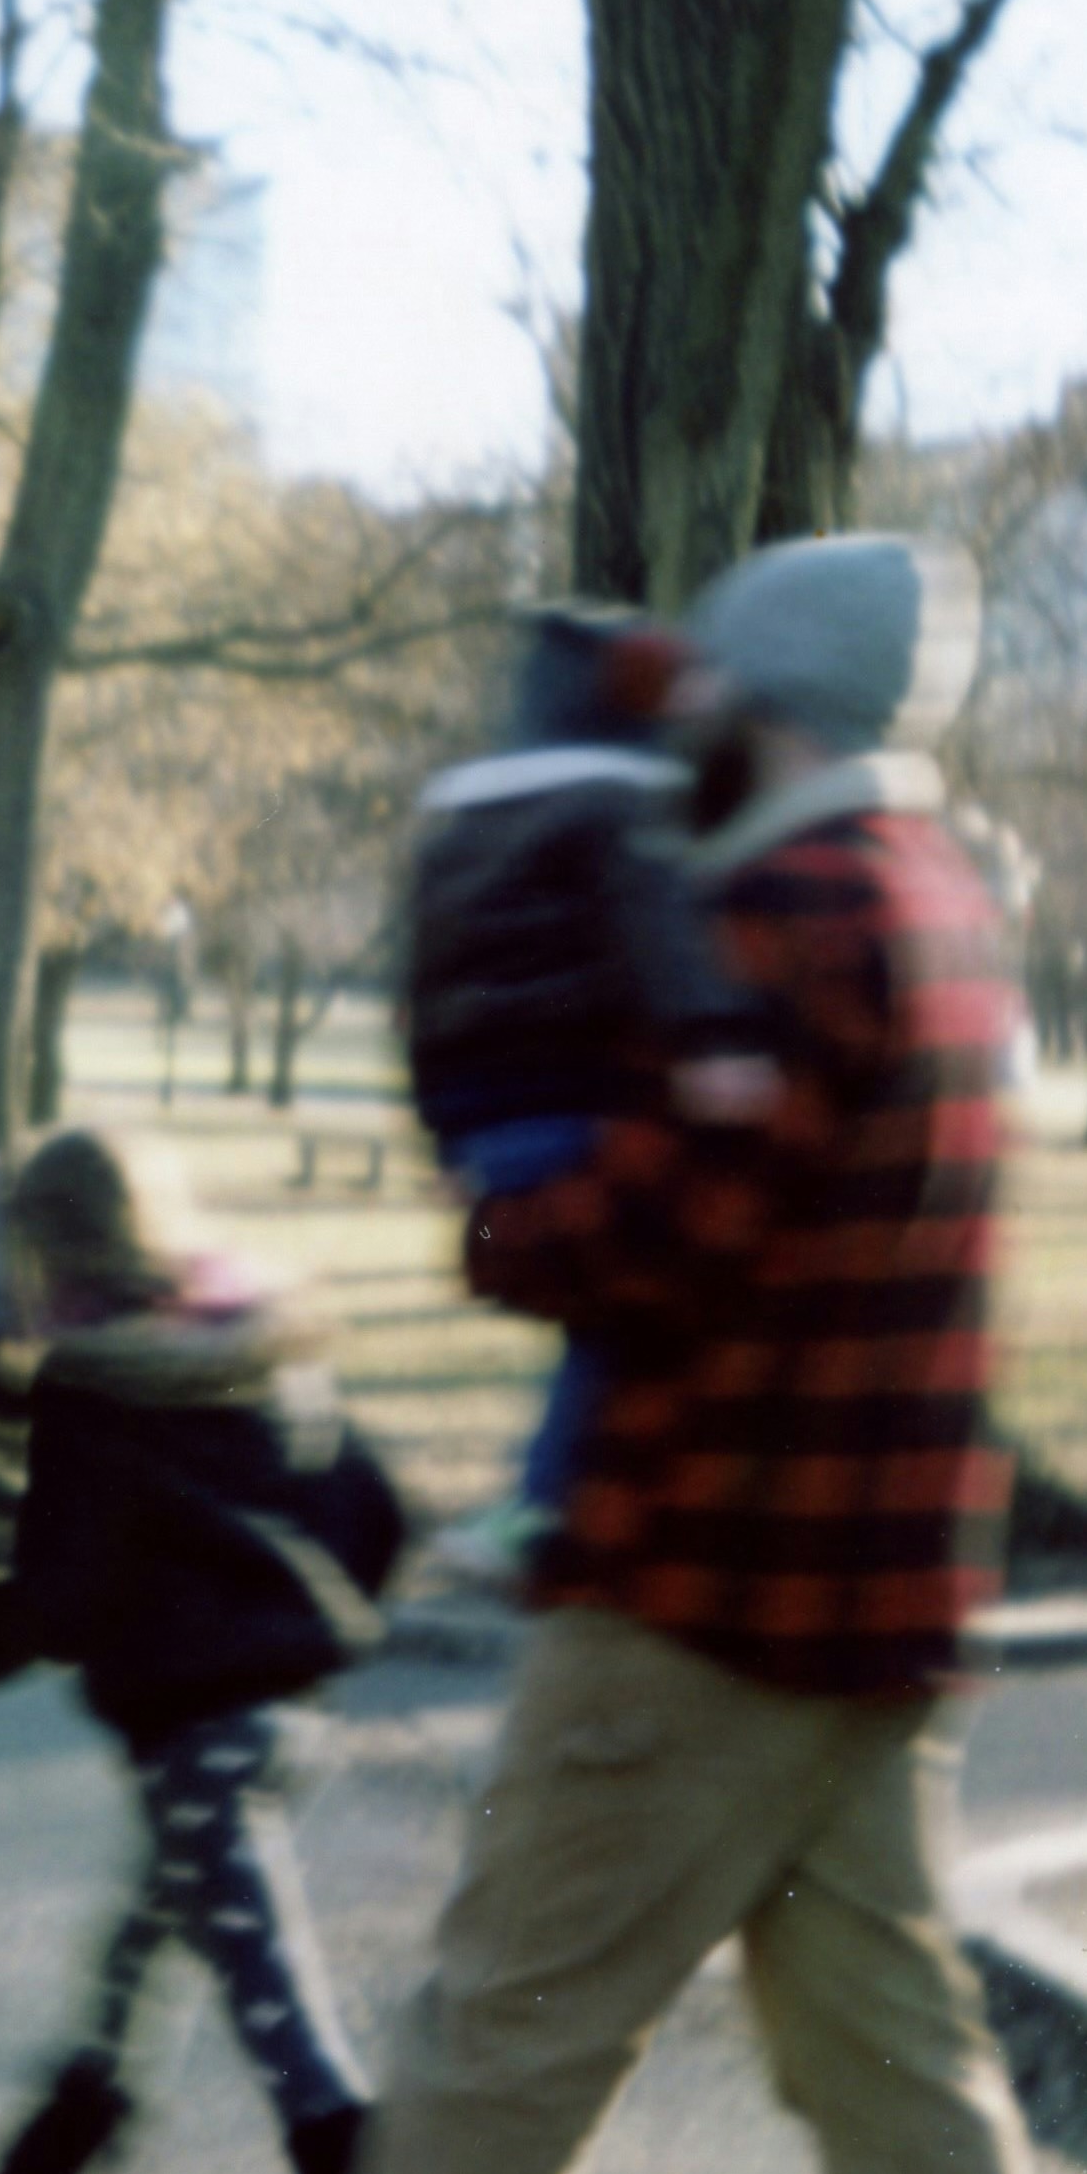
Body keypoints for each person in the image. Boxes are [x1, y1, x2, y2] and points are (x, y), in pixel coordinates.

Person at [132, 536, 1087, 2174]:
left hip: (700, 1587)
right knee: (898, 2087)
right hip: (881, 1592)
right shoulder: (938, 907)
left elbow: (653, 1231)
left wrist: (495, 1202)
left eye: (695, 694)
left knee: (504, 2021)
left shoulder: (780, 916)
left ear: (747, 700)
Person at [0, 1120, 401, 2174]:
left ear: (49, 1250)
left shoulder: (94, 1390)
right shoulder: (260, 1343)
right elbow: (377, 1509)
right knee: (133, 1979)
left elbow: (56, 1593)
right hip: (286, 1719)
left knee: (284, 2029)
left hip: (196, 1739)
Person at [394, 602, 763, 1578]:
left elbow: (419, 988)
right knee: (625, 1307)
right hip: (570, 1097)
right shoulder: (617, 807)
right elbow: (658, 935)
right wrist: (710, 1043)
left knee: (591, 1313)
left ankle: (559, 1499)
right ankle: (541, 1507)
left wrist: (439, 1136)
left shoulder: (459, 818)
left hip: (484, 1122)